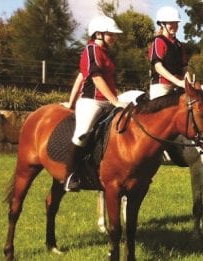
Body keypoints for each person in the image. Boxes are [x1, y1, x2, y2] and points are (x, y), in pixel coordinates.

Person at [64, 16, 125, 192]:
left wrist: (70, 100)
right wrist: (115, 101)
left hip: (109, 101)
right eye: (111, 34)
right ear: (98, 34)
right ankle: (69, 176)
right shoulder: (90, 50)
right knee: (82, 134)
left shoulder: (104, 53)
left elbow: (80, 77)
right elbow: (96, 79)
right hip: (92, 102)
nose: (114, 37)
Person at [148, 6, 189, 99]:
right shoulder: (159, 41)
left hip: (179, 86)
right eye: (171, 23)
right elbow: (158, 67)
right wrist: (178, 82)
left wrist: (189, 84)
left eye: (176, 23)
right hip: (162, 87)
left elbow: (185, 68)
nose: (175, 26)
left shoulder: (179, 44)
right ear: (162, 24)